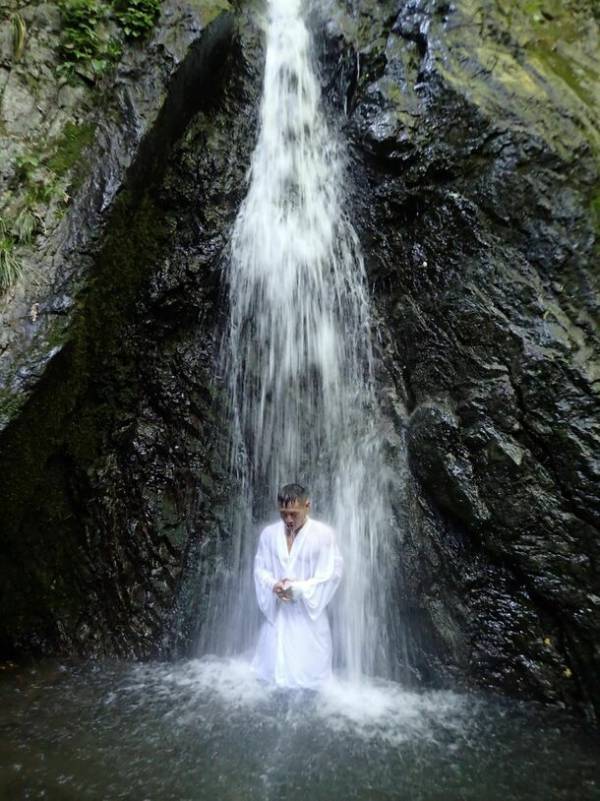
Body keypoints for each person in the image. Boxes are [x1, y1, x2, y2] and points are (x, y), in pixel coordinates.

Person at [251, 483, 343, 689]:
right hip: (278, 622)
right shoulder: (268, 534)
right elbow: (260, 569)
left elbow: (331, 575)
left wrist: (299, 589)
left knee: (311, 687)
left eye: (294, 513)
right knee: (269, 683)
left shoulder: (324, 535)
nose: (289, 519)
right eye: (283, 514)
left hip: (309, 624)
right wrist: (273, 584)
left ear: (307, 506)